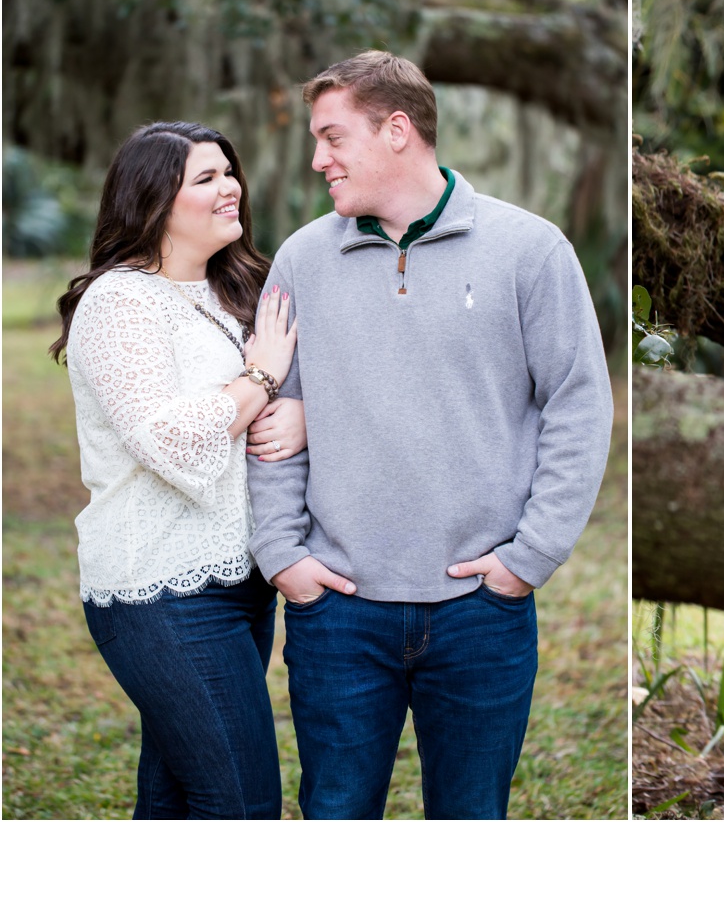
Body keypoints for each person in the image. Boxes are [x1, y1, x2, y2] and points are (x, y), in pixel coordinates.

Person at [247, 50, 613, 820]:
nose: (318, 159)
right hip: (338, 611)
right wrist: (284, 557)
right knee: (338, 818)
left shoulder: (530, 250)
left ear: (397, 130)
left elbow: (578, 403)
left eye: (333, 137)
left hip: (480, 609)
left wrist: (529, 556)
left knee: (470, 824)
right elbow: (275, 407)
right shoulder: (302, 259)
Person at [54, 121, 308, 819]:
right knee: (241, 803)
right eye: (205, 177)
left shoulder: (234, 291)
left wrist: (299, 410)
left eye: (229, 171)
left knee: (175, 798)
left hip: (242, 585)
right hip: (158, 592)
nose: (230, 187)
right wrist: (262, 376)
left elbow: (287, 404)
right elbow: (170, 439)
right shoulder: (120, 301)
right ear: (153, 199)